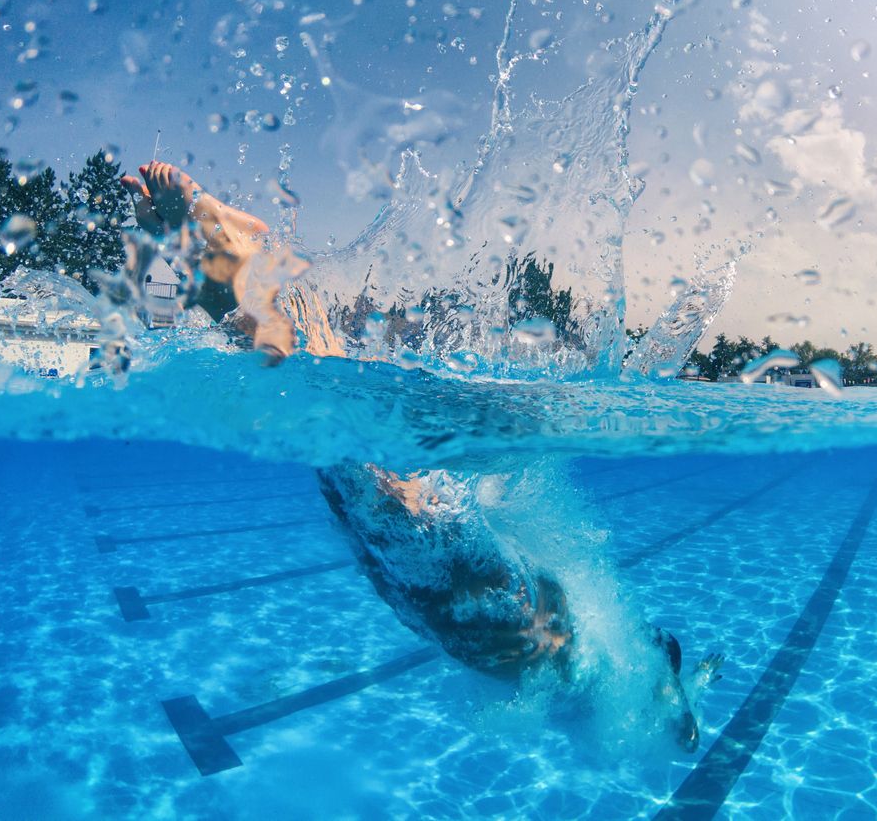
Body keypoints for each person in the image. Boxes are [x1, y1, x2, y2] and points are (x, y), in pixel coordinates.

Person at [120, 162, 722, 750]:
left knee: (341, 462)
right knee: (343, 453)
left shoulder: (629, 673)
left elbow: (673, 698)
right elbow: (686, 733)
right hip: (517, 625)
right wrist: (684, 689)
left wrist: (689, 679)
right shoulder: (640, 693)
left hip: (508, 619)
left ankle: (232, 258)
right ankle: (222, 244)